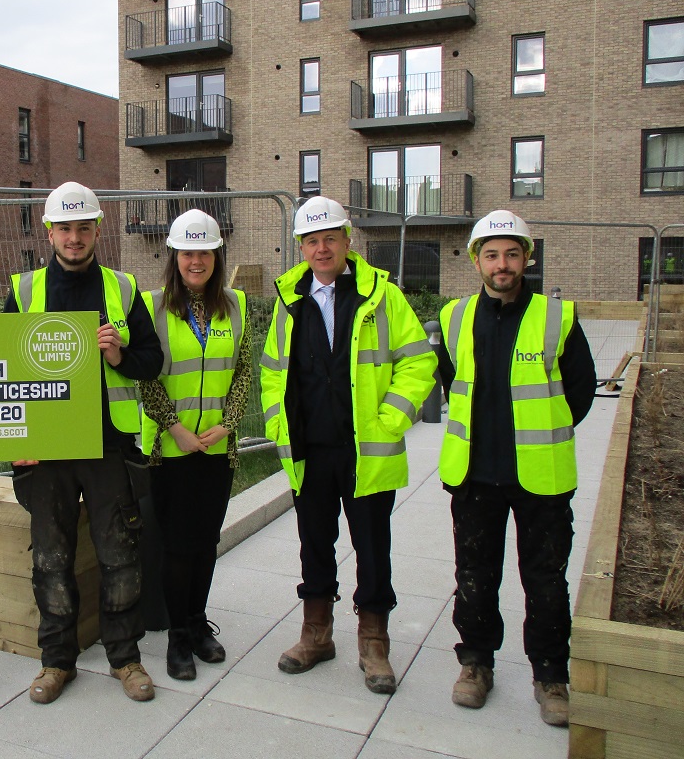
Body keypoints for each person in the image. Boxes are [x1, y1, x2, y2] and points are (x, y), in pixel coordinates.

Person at [260, 196, 437, 694]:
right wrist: (278, 427)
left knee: (372, 547)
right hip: (309, 450)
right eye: (312, 241)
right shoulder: (289, 298)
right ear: (300, 246)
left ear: (347, 240)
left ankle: (373, 642)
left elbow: (418, 361)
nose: (321, 249)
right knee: (314, 546)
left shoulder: (382, 295)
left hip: (367, 449)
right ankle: (316, 634)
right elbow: (272, 372)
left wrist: (390, 420)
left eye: (330, 239)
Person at [4, 180, 163, 704]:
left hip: (107, 448)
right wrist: (13, 441)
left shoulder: (122, 288)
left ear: (98, 229)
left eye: (83, 227)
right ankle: (57, 662)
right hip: (46, 452)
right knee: (51, 560)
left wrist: (120, 356)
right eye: (65, 228)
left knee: (120, 556)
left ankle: (126, 657)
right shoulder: (25, 291)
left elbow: (151, 363)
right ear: (49, 231)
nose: (74, 237)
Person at [438, 210, 596, 727]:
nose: (501, 264)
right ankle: (476, 664)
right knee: (475, 577)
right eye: (491, 255)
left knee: (546, 580)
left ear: (527, 258)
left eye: (511, 254)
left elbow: (580, 392)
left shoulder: (558, 318)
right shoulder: (455, 316)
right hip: (475, 475)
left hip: (540, 478)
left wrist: (537, 432)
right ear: (476, 262)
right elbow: (450, 383)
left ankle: (551, 675)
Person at [137, 209, 252, 681]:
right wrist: (174, 428)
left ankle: (198, 623)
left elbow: (245, 369)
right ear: (174, 256)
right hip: (172, 450)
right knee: (177, 547)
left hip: (217, 449)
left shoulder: (236, 304)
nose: (196, 260)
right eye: (187, 252)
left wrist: (227, 424)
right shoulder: (152, 306)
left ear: (216, 255)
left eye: (204, 251)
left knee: (206, 543)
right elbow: (144, 374)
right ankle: (178, 638)